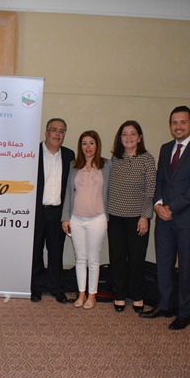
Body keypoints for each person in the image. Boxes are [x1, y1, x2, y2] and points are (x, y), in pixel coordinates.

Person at [141, 105, 190, 331]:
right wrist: (158, 205)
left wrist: (172, 207)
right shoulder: (165, 148)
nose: (178, 126)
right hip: (164, 218)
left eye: (183, 122)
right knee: (164, 264)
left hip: (188, 220)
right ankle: (165, 305)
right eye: (174, 122)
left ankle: (184, 313)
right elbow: (160, 180)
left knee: (186, 267)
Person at [107, 121, 156, 313]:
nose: (129, 137)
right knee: (117, 257)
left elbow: (150, 190)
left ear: (139, 137)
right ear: (120, 138)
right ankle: (119, 294)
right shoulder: (114, 160)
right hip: (115, 217)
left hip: (138, 218)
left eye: (133, 133)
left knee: (136, 259)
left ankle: (137, 295)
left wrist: (145, 216)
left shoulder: (147, 159)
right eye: (125, 134)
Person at [62, 130, 111, 309]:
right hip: (76, 218)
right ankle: (81, 294)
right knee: (80, 258)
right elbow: (68, 193)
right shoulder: (74, 165)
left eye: (91, 143)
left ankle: (92, 295)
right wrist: (65, 218)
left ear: (97, 145)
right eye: (84, 143)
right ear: (80, 146)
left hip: (97, 218)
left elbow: (111, 191)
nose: (88, 147)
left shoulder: (107, 165)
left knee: (93, 259)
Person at [31, 118, 75, 303]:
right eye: (54, 130)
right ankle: (36, 287)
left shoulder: (69, 155)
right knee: (35, 251)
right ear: (46, 132)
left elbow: (71, 187)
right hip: (36, 211)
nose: (58, 134)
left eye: (62, 131)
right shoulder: (33, 153)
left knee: (56, 251)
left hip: (58, 212)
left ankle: (56, 287)